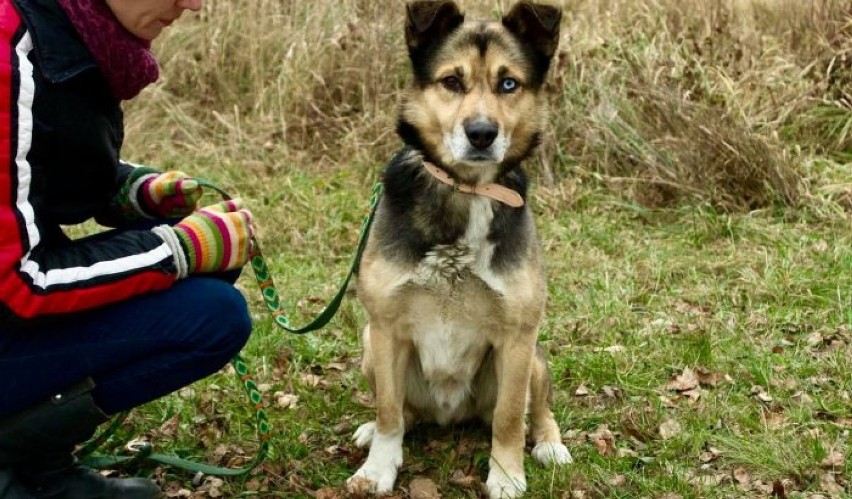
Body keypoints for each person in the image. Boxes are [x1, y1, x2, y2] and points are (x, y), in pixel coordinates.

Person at [0, 0, 255, 497]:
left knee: (211, 276)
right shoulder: (10, 57)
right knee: (212, 314)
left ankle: (39, 461)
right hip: (10, 299)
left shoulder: (63, 29)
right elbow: (18, 283)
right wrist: (176, 248)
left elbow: (34, 166)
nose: (193, 4)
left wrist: (132, 192)